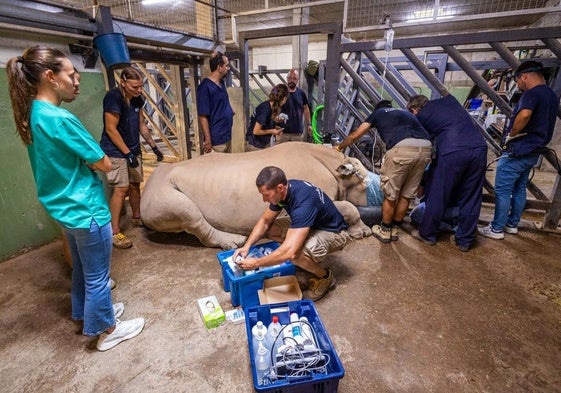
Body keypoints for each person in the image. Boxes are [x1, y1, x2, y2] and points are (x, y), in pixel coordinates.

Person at [6, 45, 144, 351]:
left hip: (64, 208)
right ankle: (107, 329)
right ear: (50, 77)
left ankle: (86, 314)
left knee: (82, 268)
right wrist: (91, 162)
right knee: (98, 274)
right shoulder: (61, 118)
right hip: (86, 208)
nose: (77, 80)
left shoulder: (34, 114)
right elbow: (104, 162)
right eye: (71, 74)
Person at [233, 166, 350, 301]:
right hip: (310, 224)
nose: (264, 200)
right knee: (269, 229)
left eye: (266, 195)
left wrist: (257, 263)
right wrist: (246, 246)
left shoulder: (303, 205)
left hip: (334, 231)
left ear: (280, 188)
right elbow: (265, 221)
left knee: (295, 255)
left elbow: (290, 253)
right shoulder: (285, 191)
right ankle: (300, 253)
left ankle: (325, 277)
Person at [478, 60, 559, 239]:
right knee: (520, 188)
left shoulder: (531, 93)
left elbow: (524, 114)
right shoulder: (551, 95)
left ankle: (496, 228)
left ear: (524, 77)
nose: (519, 86)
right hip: (535, 150)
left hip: (519, 149)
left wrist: (512, 133)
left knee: (503, 190)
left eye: (519, 81)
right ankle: (512, 224)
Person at [336, 100, 432, 243]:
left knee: (390, 192)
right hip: (426, 148)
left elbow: (356, 135)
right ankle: (395, 228)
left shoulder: (378, 113)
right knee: (406, 194)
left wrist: (338, 148)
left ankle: (385, 230)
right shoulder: (406, 113)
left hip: (402, 148)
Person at [407, 94, 487, 251]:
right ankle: (465, 240)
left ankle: (428, 234)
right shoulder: (450, 102)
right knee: (472, 196)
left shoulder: (421, 116)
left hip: (453, 150)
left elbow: (422, 144)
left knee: (439, 193)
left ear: (415, 110)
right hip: (479, 148)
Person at [100, 66, 163, 249]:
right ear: (123, 83)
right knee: (122, 188)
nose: (139, 90)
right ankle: (114, 231)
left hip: (133, 148)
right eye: (135, 87)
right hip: (115, 150)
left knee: (135, 184)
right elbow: (111, 129)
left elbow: (141, 124)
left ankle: (137, 217)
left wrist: (153, 146)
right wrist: (126, 153)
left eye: (141, 86)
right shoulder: (114, 98)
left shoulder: (137, 99)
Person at [196, 51, 234, 153]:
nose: (228, 68)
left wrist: (229, 111)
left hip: (226, 135)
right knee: (218, 168)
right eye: (227, 65)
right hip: (216, 140)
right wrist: (208, 140)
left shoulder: (221, 83)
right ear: (219, 67)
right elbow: (203, 116)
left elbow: (221, 102)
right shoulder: (205, 87)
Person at [245, 84, 289, 151]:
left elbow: (265, 124)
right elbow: (256, 131)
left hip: (260, 143)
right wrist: (272, 131)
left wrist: (276, 127)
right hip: (254, 145)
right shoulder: (265, 109)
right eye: (286, 99)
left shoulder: (270, 106)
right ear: (284, 98)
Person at [277, 68, 312, 143]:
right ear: (287, 78)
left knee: (297, 154)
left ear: (297, 80)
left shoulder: (301, 93)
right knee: (282, 154)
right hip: (282, 133)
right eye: (289, 78)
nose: (292, 80)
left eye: (294, 78)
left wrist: (309, 124)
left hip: (297, 135)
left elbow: (306, 109)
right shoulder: (280, 92)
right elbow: (272, 106)